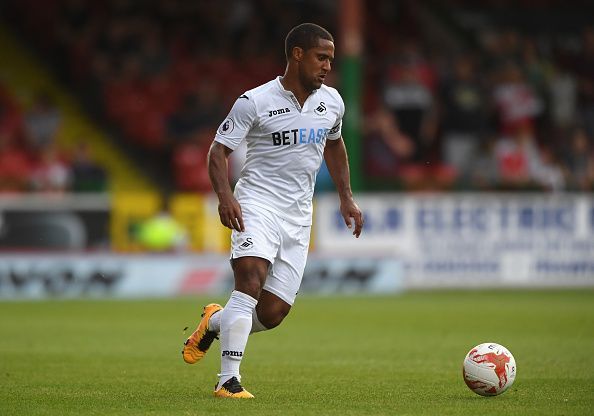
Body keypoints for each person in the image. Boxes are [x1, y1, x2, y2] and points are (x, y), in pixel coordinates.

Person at [181, 23, 363, 399]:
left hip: (298, 216)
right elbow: (218, 151)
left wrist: (346, 196)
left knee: (272, 313)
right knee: (249, 280)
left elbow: (335, 145)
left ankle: (215, 322)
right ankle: (227, 381)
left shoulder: (332, 102)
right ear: (297, 54)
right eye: (321, 57)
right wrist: (226, 195)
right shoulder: (255, 101)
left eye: (330, 58)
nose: (328, 65)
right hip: (256, 204)